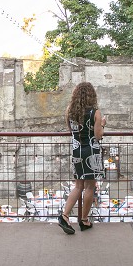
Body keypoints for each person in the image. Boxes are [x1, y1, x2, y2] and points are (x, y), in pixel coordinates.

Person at [58, 82, 106, 234]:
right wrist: (102, 124)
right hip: (91, 152)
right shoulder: (95, 112)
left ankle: (64, 216)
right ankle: (84, 220)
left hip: (77, 151)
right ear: (92, 95)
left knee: (78, 186)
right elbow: (98, 136)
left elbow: (71, 130)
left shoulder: (70, 111)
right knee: (90, 187)